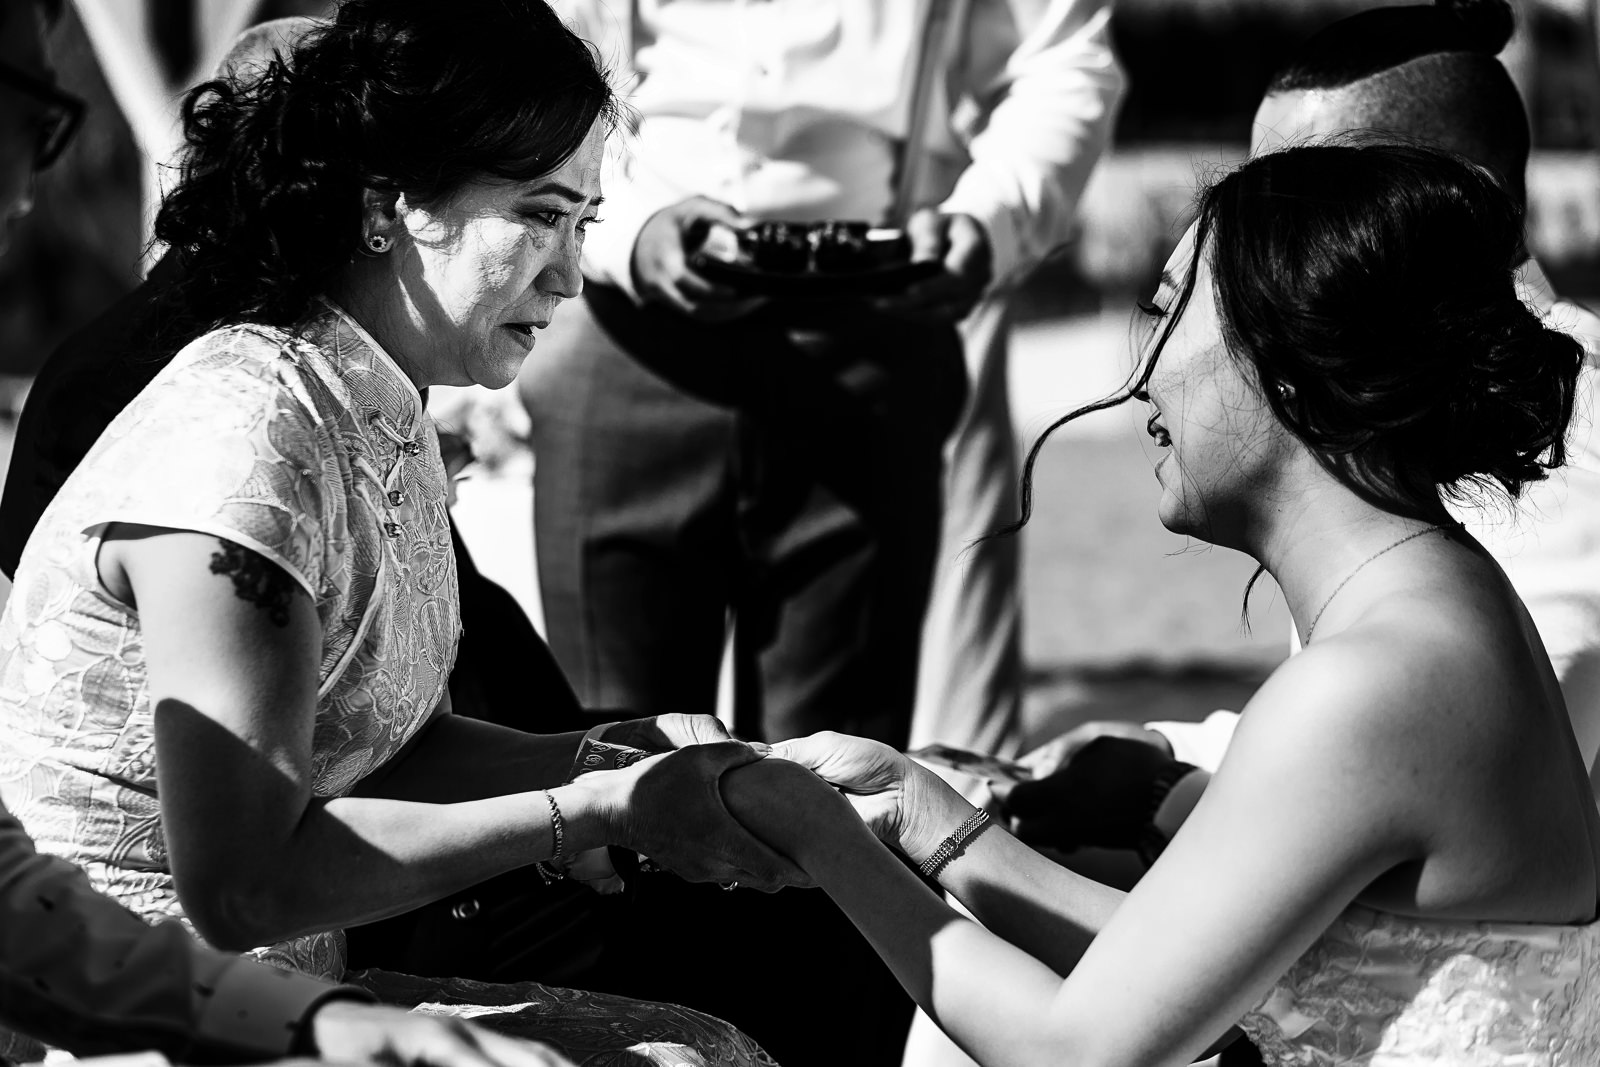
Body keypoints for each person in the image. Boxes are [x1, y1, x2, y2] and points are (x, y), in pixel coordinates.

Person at [0, 2, 793, 1063]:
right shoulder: (245, 442)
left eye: (584, 224)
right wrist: (596, 808)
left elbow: (386, 746)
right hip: (139, 1020)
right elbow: (244, 882)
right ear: (391, 204)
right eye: (538, 216)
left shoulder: (368, 397)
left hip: (292, 994)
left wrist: (608, 752)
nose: (566, 277)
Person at [720, 141, 1600, 1065]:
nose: (1142, 366)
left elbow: (1078, 1050)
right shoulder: (1444, 608)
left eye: (1172, 306)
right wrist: (920, 812)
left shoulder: (1374, 684)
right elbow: (1191, 976)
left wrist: (816, 833)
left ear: (1289, 362)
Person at [1006, 0, 1600, 868]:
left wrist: (1152, 789)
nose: (1251, 232)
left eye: (1298, 190)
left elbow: (1443, 736)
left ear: (1431, 195)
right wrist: (1173, 745)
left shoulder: (1554, 420)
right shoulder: (1389, 386)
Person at [520, 0, 1122, 750]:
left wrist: (988, 219)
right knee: (608, 757)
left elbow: (1061, 60)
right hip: (622, 322)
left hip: (870, 333)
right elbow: (528, 52)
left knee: (834, 778)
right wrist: (632, 227)